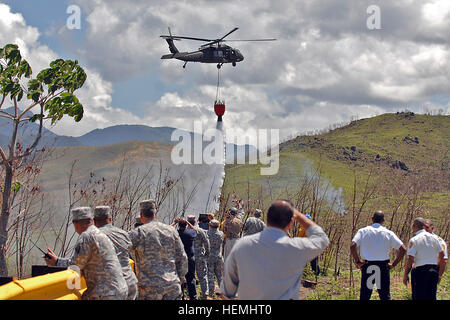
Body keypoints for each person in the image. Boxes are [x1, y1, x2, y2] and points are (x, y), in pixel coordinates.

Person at [220, 199, 329, 300]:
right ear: (291, 222)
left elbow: (226, 292)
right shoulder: (296, 248)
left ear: (267, 217)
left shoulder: (242, 246)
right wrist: (299, 216)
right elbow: (322, 239)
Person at [44, 207, 127, 300]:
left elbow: (76, 265)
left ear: (76, 224)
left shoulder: (86, 236)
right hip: (119, 289)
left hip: (105, 293)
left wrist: (57, 262)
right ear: (91, 220)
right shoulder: (99, 234)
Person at [129, 200, 188, 300]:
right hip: (171, 286)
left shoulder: (136, 233)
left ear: (141, 215)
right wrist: (181, 277)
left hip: (148, 289)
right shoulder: (171, 231)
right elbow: (182, 257)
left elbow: (125, 256)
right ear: (155, 214)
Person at [350, 211, 406, 300]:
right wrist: (394, 264)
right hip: (383, 267)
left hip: (369, 267)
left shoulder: (363, 231)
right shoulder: (388, 233)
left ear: (372, 219)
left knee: (365, 295)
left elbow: (353, 246)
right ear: (383, 220)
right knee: (384, 296)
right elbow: (403, 249)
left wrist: (358, 262)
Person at [93, 205, 138, 300]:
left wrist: (57, 261)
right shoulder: (123, 234)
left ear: (94, 221)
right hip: (130, 283)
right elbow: (130, 249)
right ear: (110, 219)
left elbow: (79, 262)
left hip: (112, 288)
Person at [403, 218, 445, 300]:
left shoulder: (414, 239)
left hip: (420, 271)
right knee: (431, 296)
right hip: (433, 271)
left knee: (418, 296)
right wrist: (436, 265)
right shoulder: (435, 238)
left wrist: (405, 274)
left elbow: (410, 258)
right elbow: (442, 254)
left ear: (414, 226)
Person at [172, 217, 197, 300]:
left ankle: (181, 296)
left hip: (178, 259)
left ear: (178, 225)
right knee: (191, 278)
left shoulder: (175, 233)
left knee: (179, 278)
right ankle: (193, 297)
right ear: (186, 225)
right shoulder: (190, 233)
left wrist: (174, 223)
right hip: (190, 258)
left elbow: (165, 231)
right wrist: (187, 222)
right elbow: (195, 230)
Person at [187, 215, 210, 299]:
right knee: (203, 275)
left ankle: (192, 295)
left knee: (190, 276)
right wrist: (207, 253)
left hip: (190, 256)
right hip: (200, 255)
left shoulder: (187, 231)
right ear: (196, 221)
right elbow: (206, 242)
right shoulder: (200, 231)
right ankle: (205, 294)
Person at [207, 219, 224, 297]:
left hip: (210, 256)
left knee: (210, 274)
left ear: (210, 225)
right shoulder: (221, 233)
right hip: (218, 256)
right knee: (219, 275)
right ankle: (223, 292)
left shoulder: (208, 233)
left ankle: (211, 292)